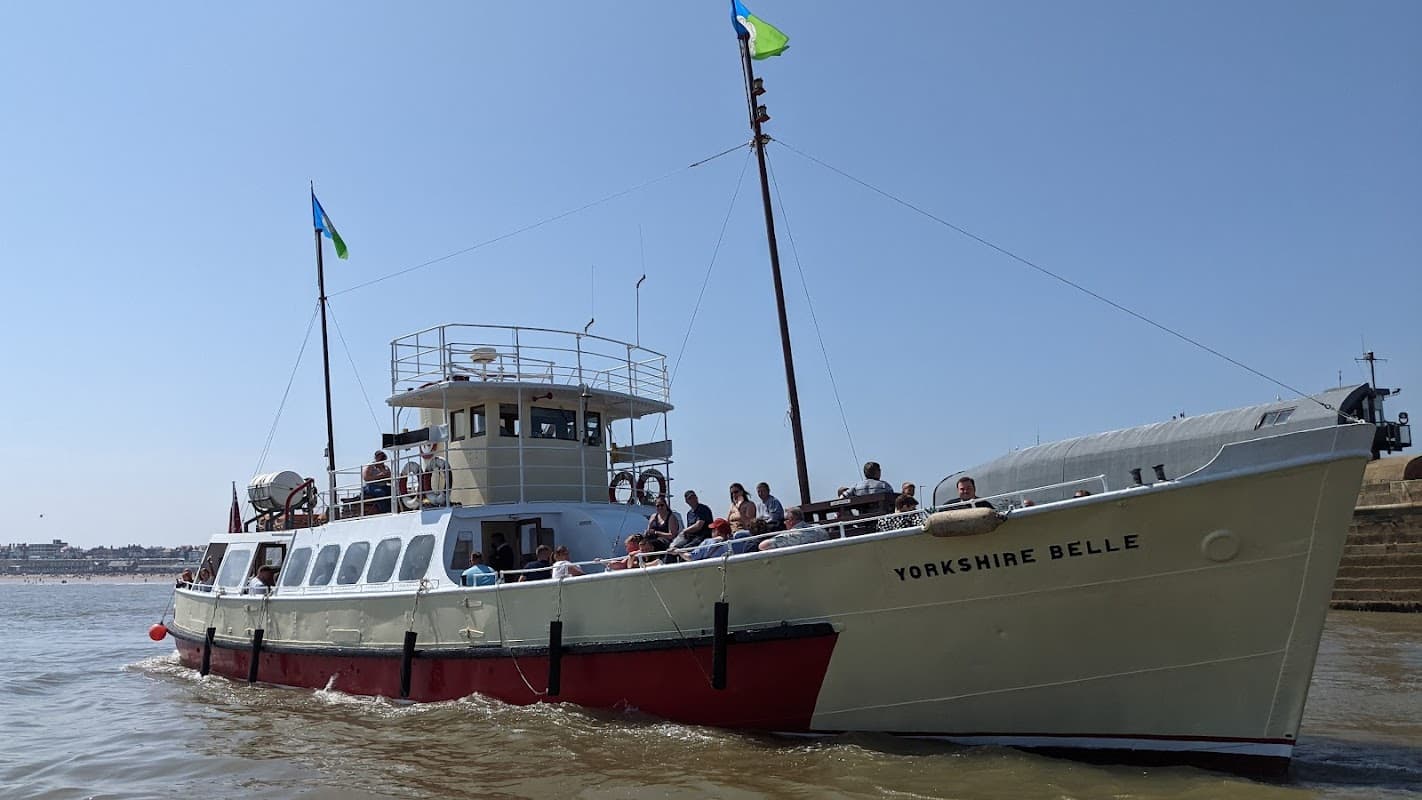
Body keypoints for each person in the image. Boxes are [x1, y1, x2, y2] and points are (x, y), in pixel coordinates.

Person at [760, 507, 829, 550]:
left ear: (791, 520)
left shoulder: (792, 535)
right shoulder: (820, 528)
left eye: (785, 519)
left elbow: (763, 546)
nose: (784, 522)